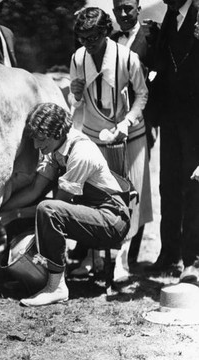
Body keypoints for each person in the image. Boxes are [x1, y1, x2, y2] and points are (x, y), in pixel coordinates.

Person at [0, 103, 130, 306]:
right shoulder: (56, 149)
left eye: (41, 139)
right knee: (37, 205)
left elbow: (58, 206)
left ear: (57, 133)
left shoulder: (81, 152)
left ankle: (57, 287)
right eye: (34, 138)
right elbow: (34, 190)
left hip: (111, 220)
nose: (36, 146)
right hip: (88, 212)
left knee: (47, 210)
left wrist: (16, 213)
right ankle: (35, 277)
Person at [69, 7, 149, 281]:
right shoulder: (78, 58)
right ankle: (92, 258)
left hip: (130, 134)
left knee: (131, 196)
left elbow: (142, 95)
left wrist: (126, 123)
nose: (88, 44)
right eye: (82, 38)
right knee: (93, 197)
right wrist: (75, 94)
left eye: (92, 38)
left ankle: (123, 261)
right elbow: (76, 104)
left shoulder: (128, 58)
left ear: (105, 32)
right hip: (93, 134)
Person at [144, 0, 199, 279]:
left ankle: (193, 260)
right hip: (171, 119)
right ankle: (170, 254)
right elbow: (162, 69)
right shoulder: (169, 16)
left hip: (196, 123)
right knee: (168, 185)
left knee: (194, 189)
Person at [110, 0, 158, 268]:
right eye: (119, 9)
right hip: (114, 127)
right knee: (113, 186)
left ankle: (131, 257)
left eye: (129, 8)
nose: (124, 14)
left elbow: (158, 78)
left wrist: (151, 119)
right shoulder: (112, 40)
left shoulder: (152, 37)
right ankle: (107, 251)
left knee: (137, 188)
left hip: (142, 123)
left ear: (138, 8)